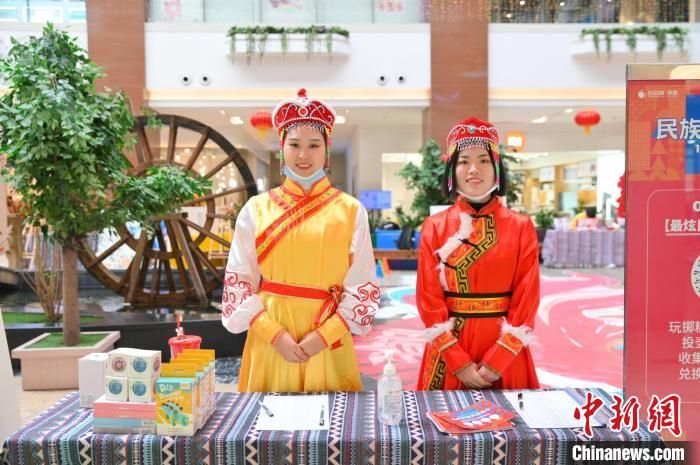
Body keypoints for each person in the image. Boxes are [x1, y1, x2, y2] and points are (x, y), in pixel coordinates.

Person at [221, 88, 379, 392]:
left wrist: (324, 336)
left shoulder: (350, 210)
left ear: (327, 149)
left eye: (313, 145)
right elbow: (238, 281)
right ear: (282, 148)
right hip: (271, 336)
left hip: (327, 335)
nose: (303, 155)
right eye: (294, 144)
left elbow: (363, 286)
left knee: (332, 419)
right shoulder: (256, 209)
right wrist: (274, 334)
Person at [416, 116, 540, 390]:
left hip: (505, 352)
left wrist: (498, 360)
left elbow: (527, 296)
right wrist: (458, 362)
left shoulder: (521, 226)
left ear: (497, 167)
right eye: (464, 161)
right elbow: (428, 298)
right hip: (450, 351)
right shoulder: (434, 226)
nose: (474, 169)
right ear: (452, 170)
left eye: (483, 160)